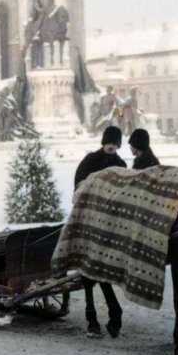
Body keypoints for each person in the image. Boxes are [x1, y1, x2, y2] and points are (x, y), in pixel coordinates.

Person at [74, 126, 127, 338]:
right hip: (89, 217)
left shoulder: (121, 164)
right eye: (108, 142)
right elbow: (78, 184)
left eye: (115, 143)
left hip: (111, 221)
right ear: (103, 142)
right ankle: (91, 314)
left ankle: (112, 312)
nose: (111, 146)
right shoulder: (90, 161)